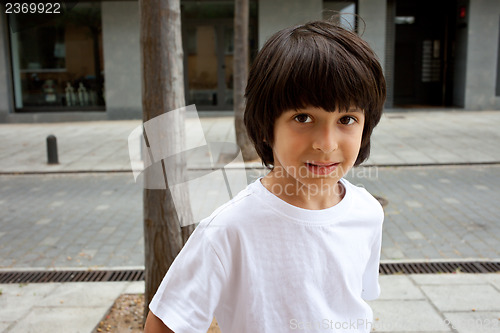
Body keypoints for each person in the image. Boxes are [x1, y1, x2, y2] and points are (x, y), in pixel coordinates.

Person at [145, 19, 387, 333]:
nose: (326, 144)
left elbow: (352, 304)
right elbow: (164, 323)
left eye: (346, 118)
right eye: (303, 117)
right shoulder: (229, 229)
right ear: (266, 126)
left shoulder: (367, 212)